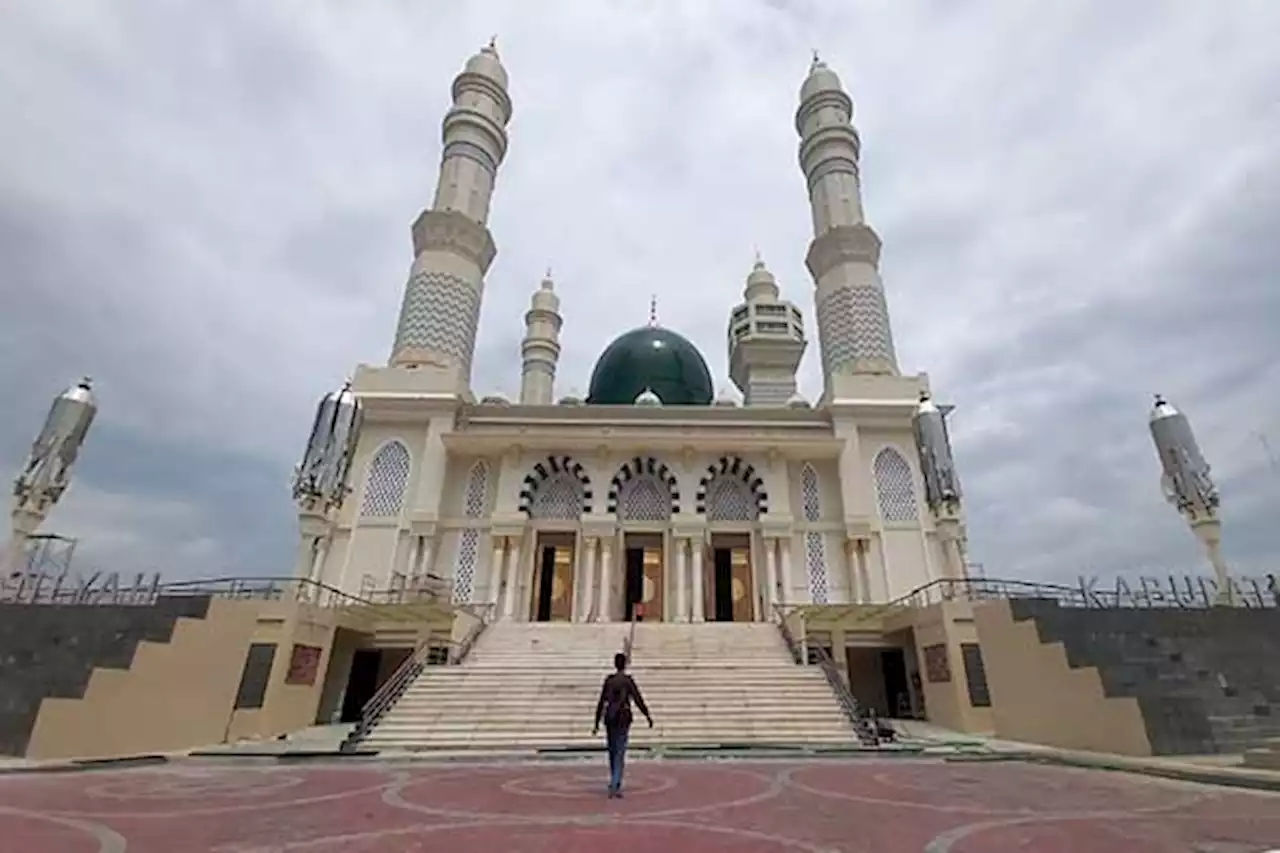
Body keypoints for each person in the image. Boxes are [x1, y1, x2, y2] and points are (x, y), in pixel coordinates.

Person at [592, 652, 652, 798]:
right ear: (624, 664)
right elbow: (638, 699)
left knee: (612, 751)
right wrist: (647, 715)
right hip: (623, 718)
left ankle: (614, 780)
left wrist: (596, 722)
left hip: (610, 718)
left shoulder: (609, 680)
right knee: (620, 751)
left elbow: (602, 702)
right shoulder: (627, 681)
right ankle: (615, 783)